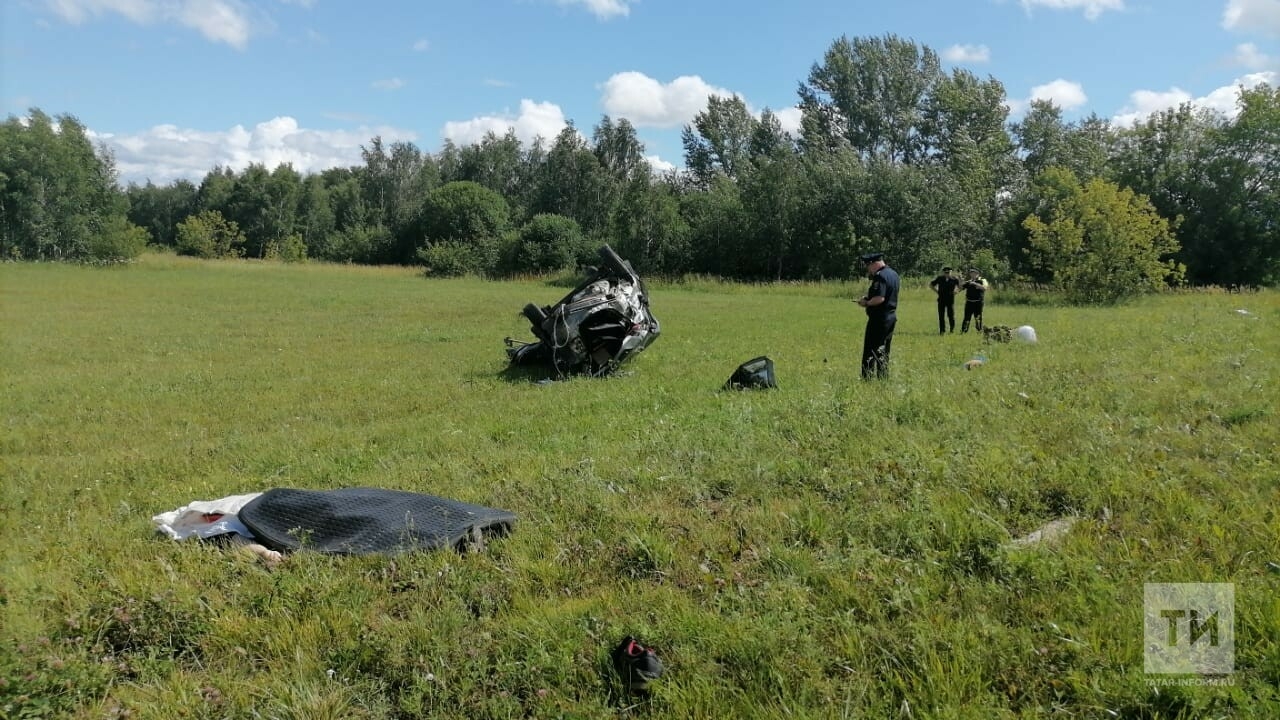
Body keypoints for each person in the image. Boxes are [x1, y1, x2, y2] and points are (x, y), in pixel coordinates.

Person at [854, 251, 899, 379]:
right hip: (890, 317)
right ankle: (883, 377)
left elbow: (880, 298)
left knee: (870, 349)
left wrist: (866, 302)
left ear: (873, 264)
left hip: (879, 319)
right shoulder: (893, 274)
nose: (868, 270)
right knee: (883, 349)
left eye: (868, 266)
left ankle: (867, 378)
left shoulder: (880, 276)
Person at [928, 266, 960, 334]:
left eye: (948, 272)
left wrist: (956, 291)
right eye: (946, 273)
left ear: (951, 272)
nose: (947, 274)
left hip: (950, 300)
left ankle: (952, 330)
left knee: (951, 315)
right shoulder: (940, 278)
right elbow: (931, 285)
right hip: (941, 299)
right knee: (941, 316)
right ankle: (942, 331)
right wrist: (937, 291)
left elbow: (960, 287)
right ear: (944, 273)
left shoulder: (954, 279)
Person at [960, 267, 987, 333]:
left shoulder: (982, 280)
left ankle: (979, 331)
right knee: (967, 317)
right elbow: (960, 287)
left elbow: (984, 288)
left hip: (978, 303)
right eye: (971, 273)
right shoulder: (968, 282)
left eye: (974, 273)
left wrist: (974, 283)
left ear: (978, 274)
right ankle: (964, 331)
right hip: (969, 302)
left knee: (978, 317)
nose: (972, 275)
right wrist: (960, 279)